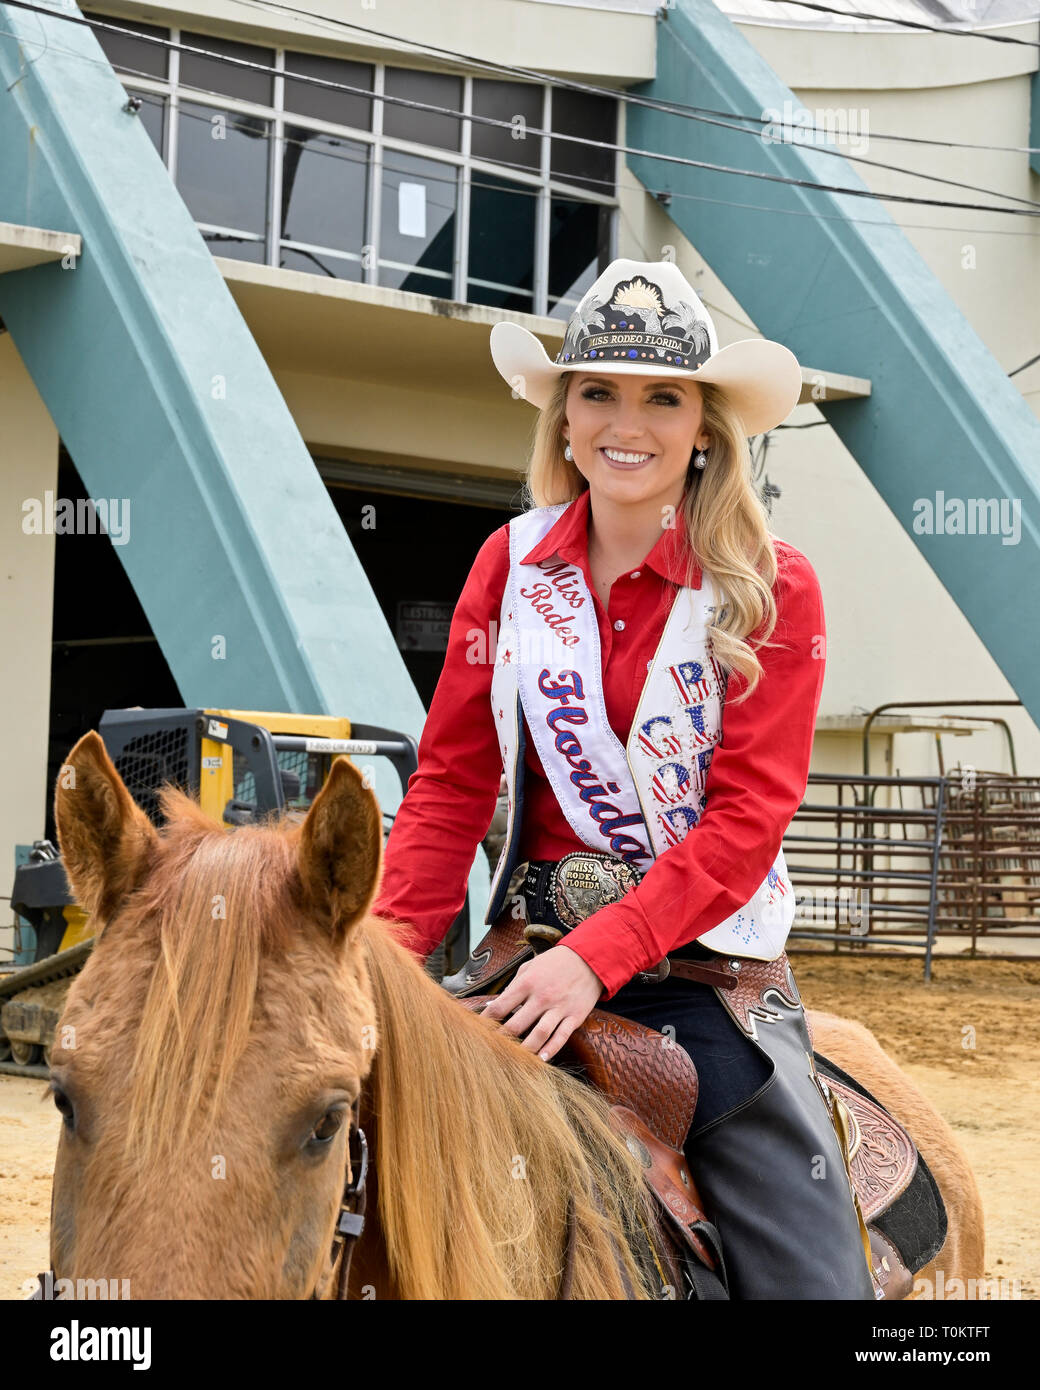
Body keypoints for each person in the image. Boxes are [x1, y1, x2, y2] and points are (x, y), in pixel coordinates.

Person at [370, 257, 877, 1300]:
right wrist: (369, 960)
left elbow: (743, 824)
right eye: (596, 389)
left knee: (810, 1282)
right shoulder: (504, 567)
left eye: (661, 396)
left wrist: (594, 961)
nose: (625, 422)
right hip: (518, 959)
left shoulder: (770, 585)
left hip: (704, 981)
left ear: (703, 426)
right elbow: (449, 786)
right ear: (561, 418)